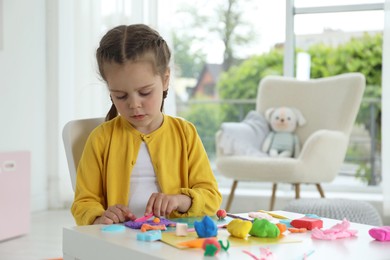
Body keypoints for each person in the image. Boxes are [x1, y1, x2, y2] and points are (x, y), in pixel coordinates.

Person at [71, 24, 222, 225]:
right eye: (121, 96)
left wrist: (179, 200)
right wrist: (100, 217)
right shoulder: (101, 138)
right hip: (120, 246)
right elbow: (83, 202)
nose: (134, 104)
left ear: (166, 79)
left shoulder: (185, 133)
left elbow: (211, 197)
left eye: (145, 92)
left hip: (173, 244)